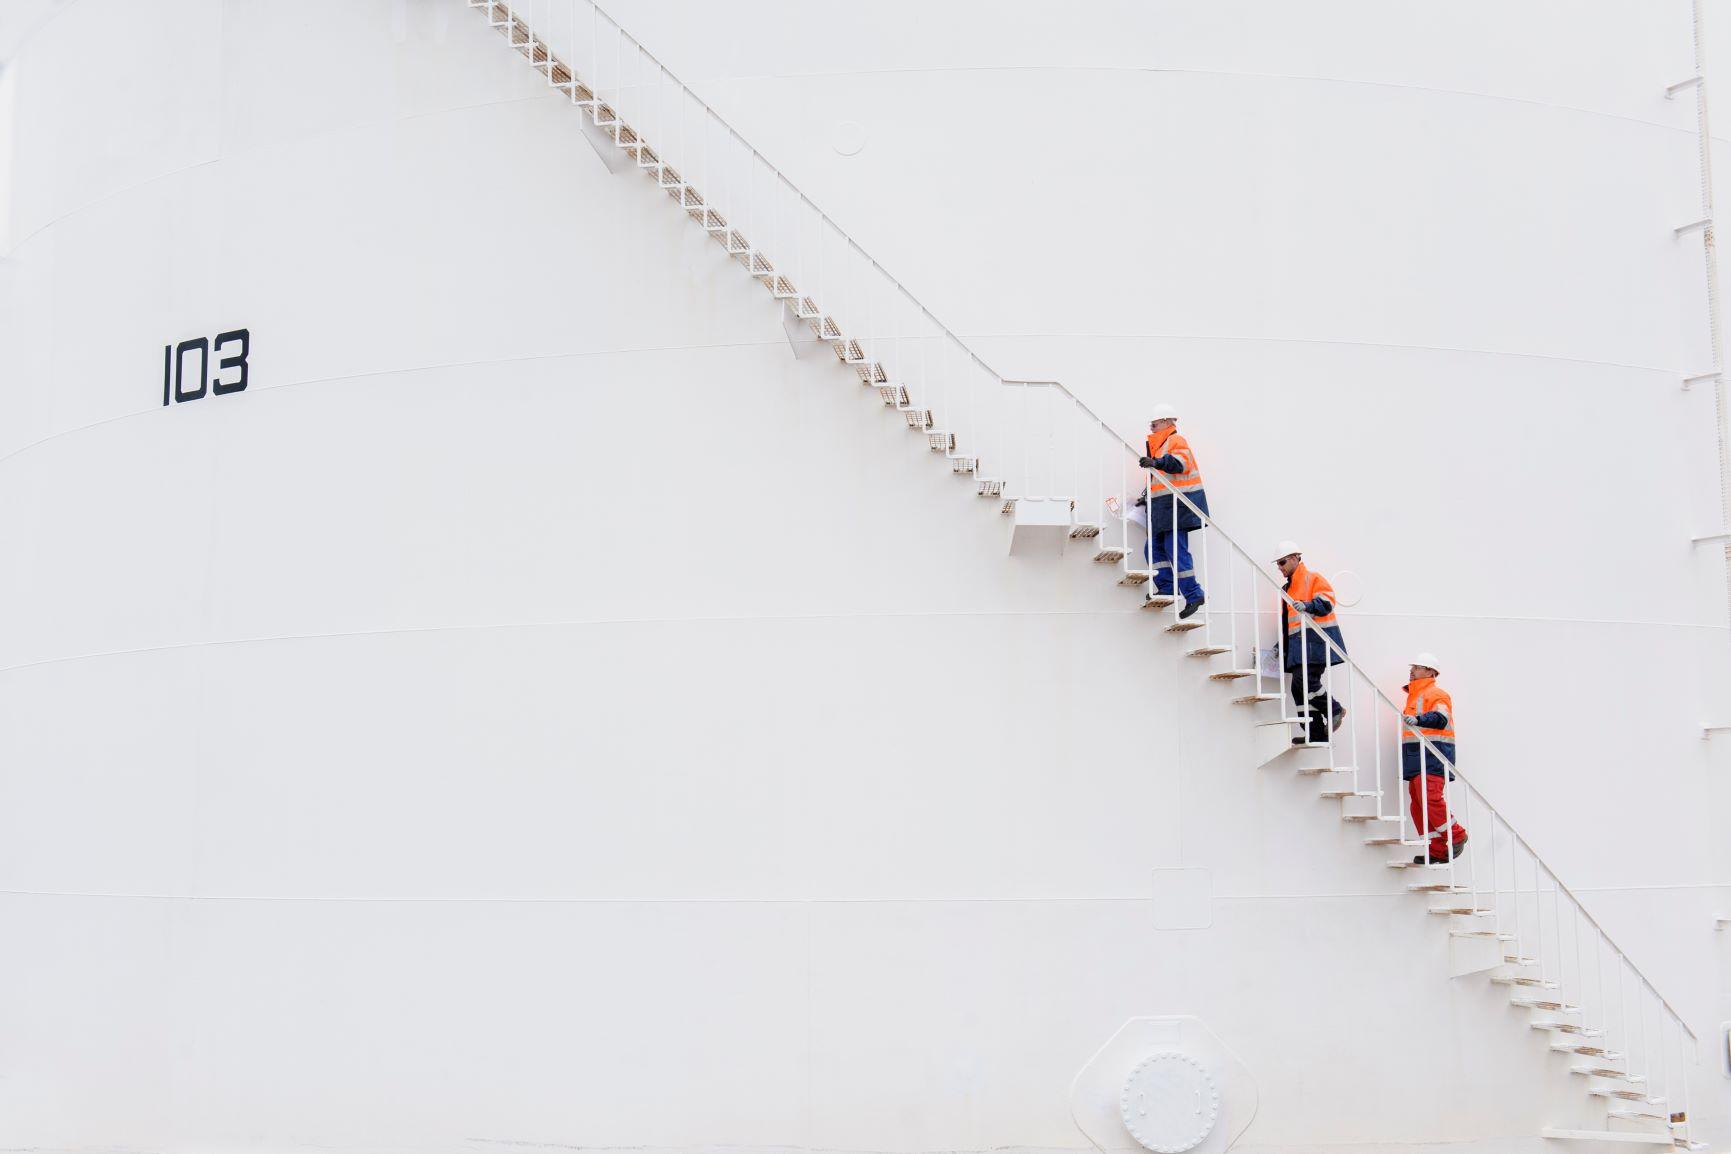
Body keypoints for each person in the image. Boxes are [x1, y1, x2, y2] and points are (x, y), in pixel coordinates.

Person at [1136, 405, 1209, 619]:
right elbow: (1163, 481)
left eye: (1155, 423)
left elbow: (1179, 464)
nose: (1152, 426)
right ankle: (1167, 586)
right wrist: (1146, 497)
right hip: (1163, 508)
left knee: (1175, 549)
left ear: (1168, 422)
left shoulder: (1176, 441)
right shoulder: (1158, 447)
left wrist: (1156, 462)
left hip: (1178, 507)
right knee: (1153, 548)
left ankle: (1194, 594)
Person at [1272, 542, 1346, 744]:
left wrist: (1308, 605)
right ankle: (1315, 733)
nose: (1280, 567)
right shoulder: (1287, 588)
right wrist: (1281, 646)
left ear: (1295, 558)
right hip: (1298, 646)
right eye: (1278, 564)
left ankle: (1334, 709)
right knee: (1298, 688)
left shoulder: (1312, 578)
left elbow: (1327, 602)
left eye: (1282, 562)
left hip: (1315, 643)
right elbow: (1288, 623)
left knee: (1306, 682)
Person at [1402, 653, 1468, 864]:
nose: (1412, 671)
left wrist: (1420, 719)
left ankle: (1457, 835)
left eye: (1418, 667)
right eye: (1412, 667)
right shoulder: (1412, 697)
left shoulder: (1437, 694)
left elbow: (1441, 718)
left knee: (1430, 799)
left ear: (1431, 672)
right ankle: (1438, 850)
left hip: (1433, 755)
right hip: (1415, 757)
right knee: (1417, 805)